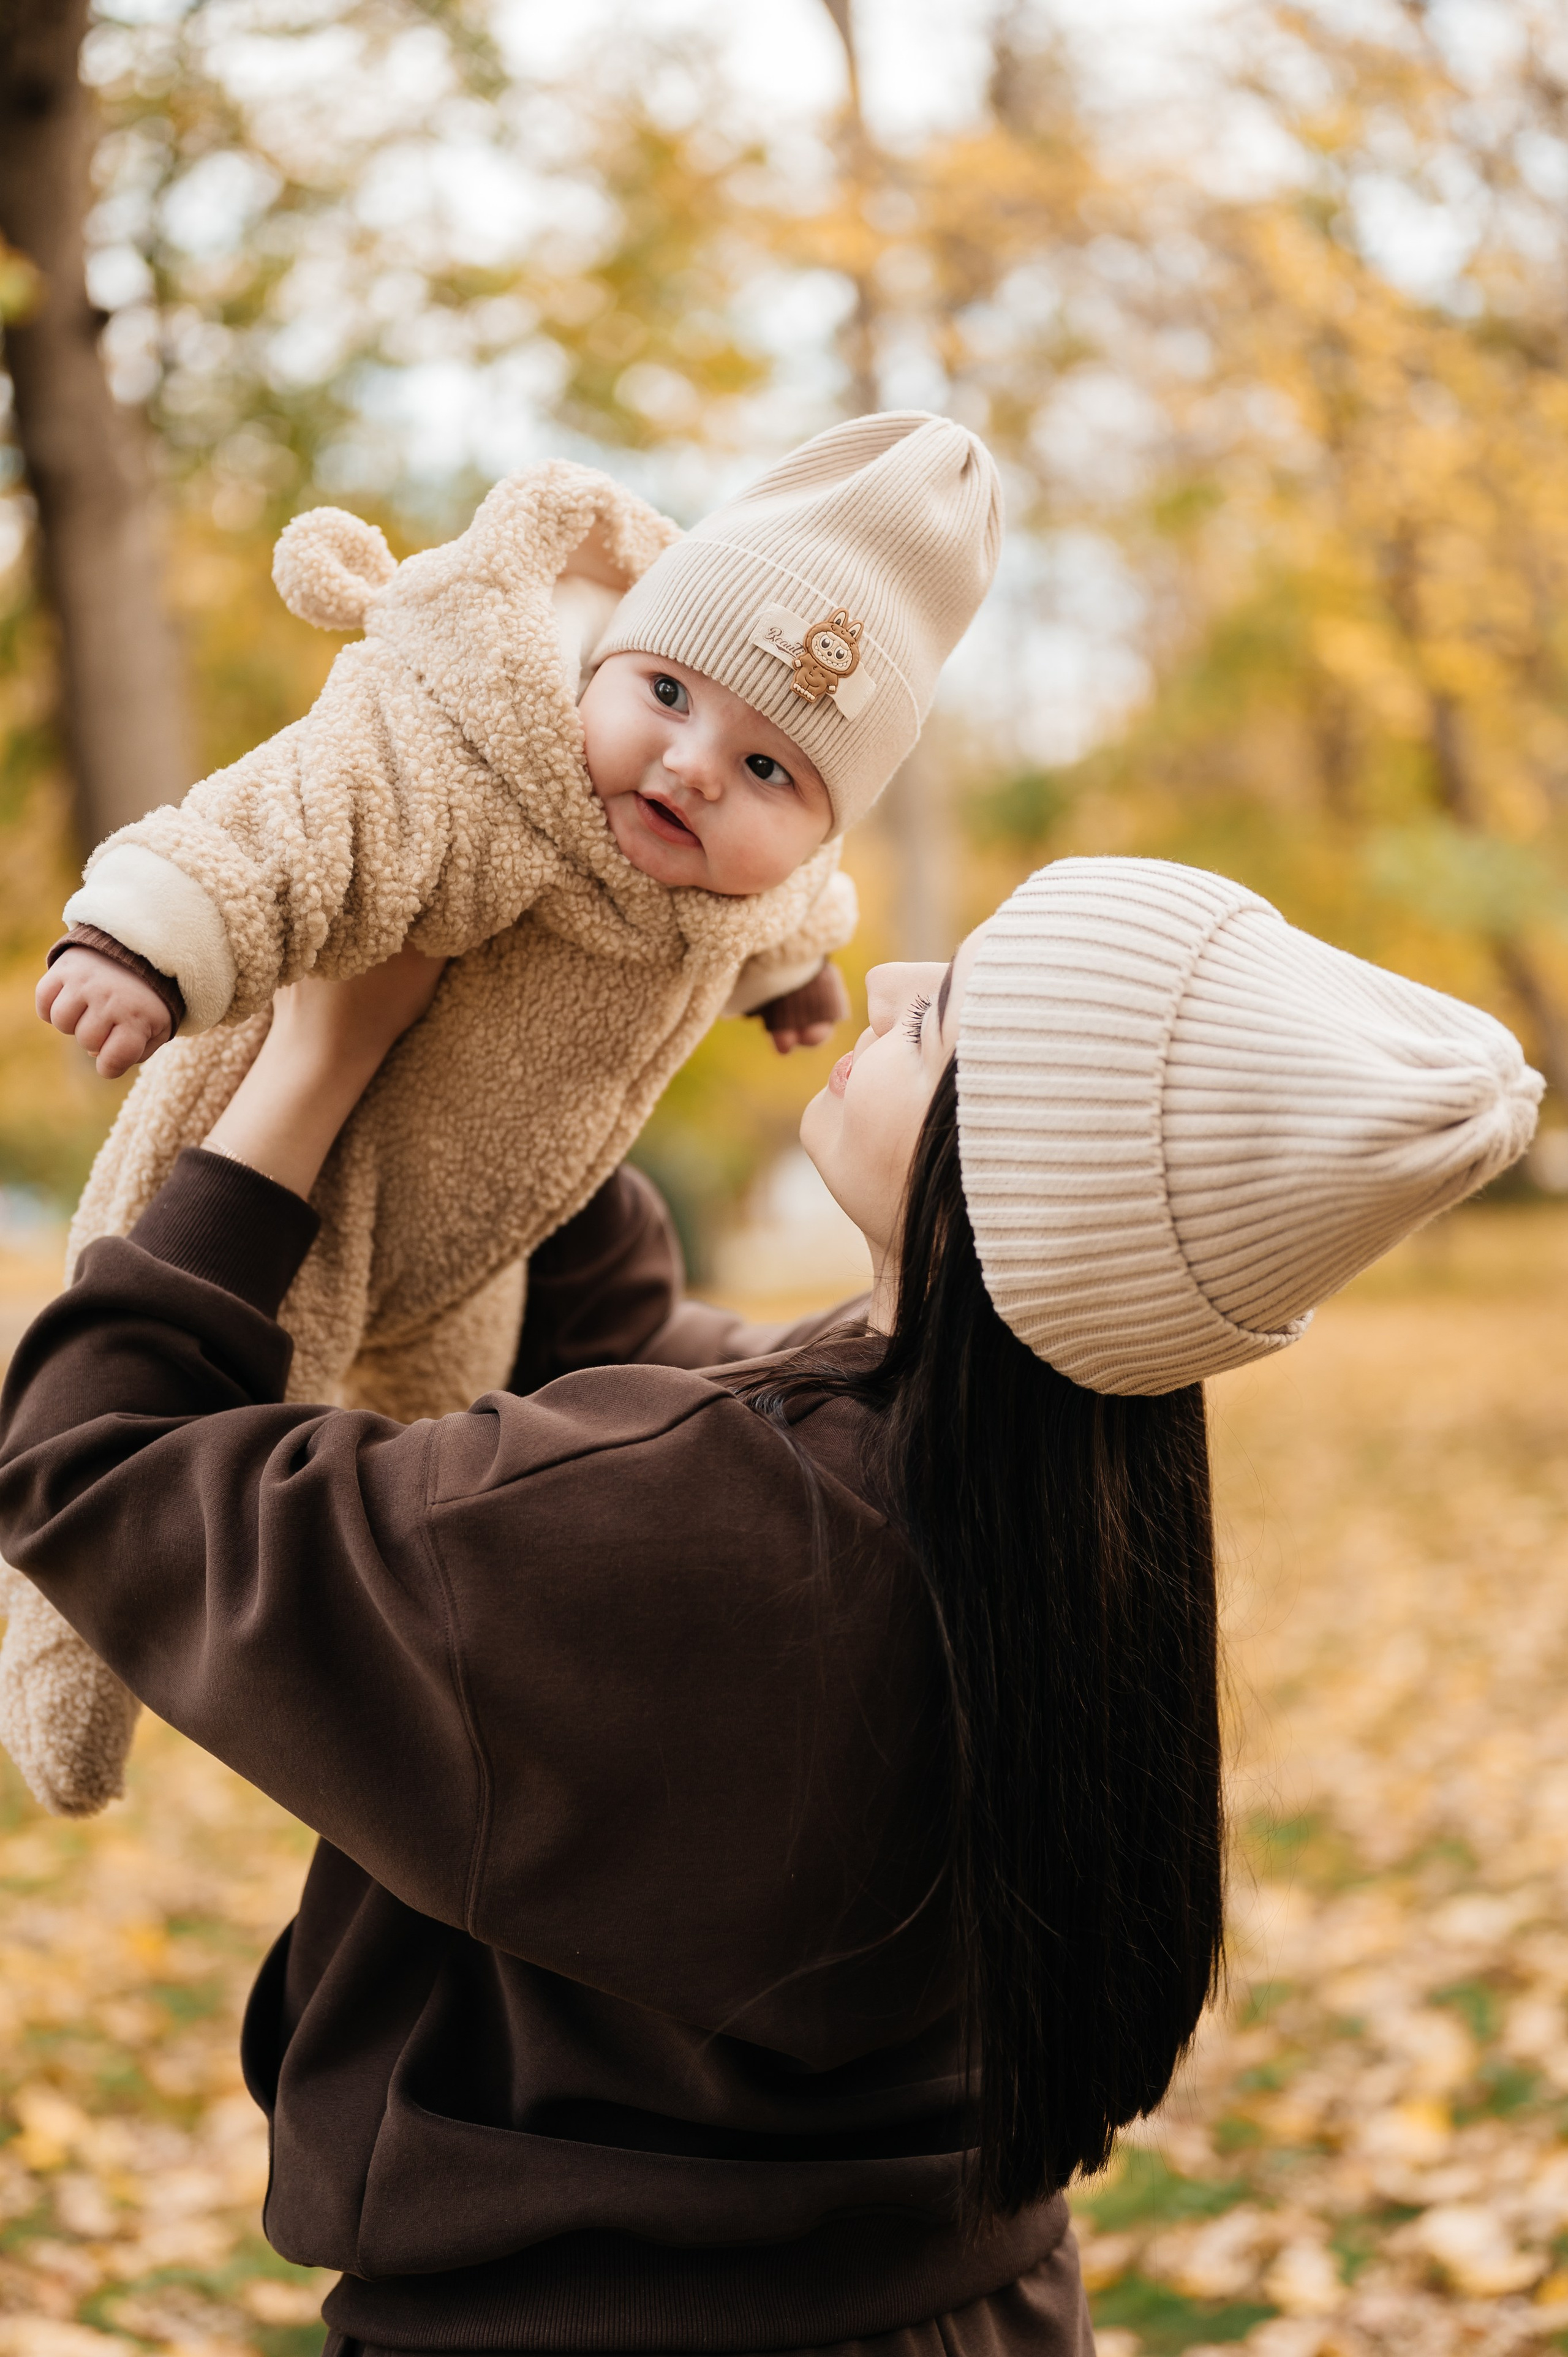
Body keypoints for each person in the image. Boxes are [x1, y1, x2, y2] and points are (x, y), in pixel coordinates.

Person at [0, 856, 1539, 2357]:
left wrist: (315, 1059)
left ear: (1017, 1174)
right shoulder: (1064, 1493)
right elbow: (615, 1360)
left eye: (954, 1020)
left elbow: (98, 1463)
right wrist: (540, 1027)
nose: (900, 980)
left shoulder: (698, 1533)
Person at [6, 409, 1003, 1820]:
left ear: (819, 817)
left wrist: (790, 981)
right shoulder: (471, 775)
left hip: (490, 1247)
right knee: (186, 1482)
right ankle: (65, 1676)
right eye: (666, 695)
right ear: (601, 660)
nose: (696, 767)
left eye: (769, 769)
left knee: (439, 1493)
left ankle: (428, 1724)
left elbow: (792, 906)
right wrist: (141, 945)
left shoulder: (747, 883)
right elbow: (294, 823)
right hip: (292, 1172)